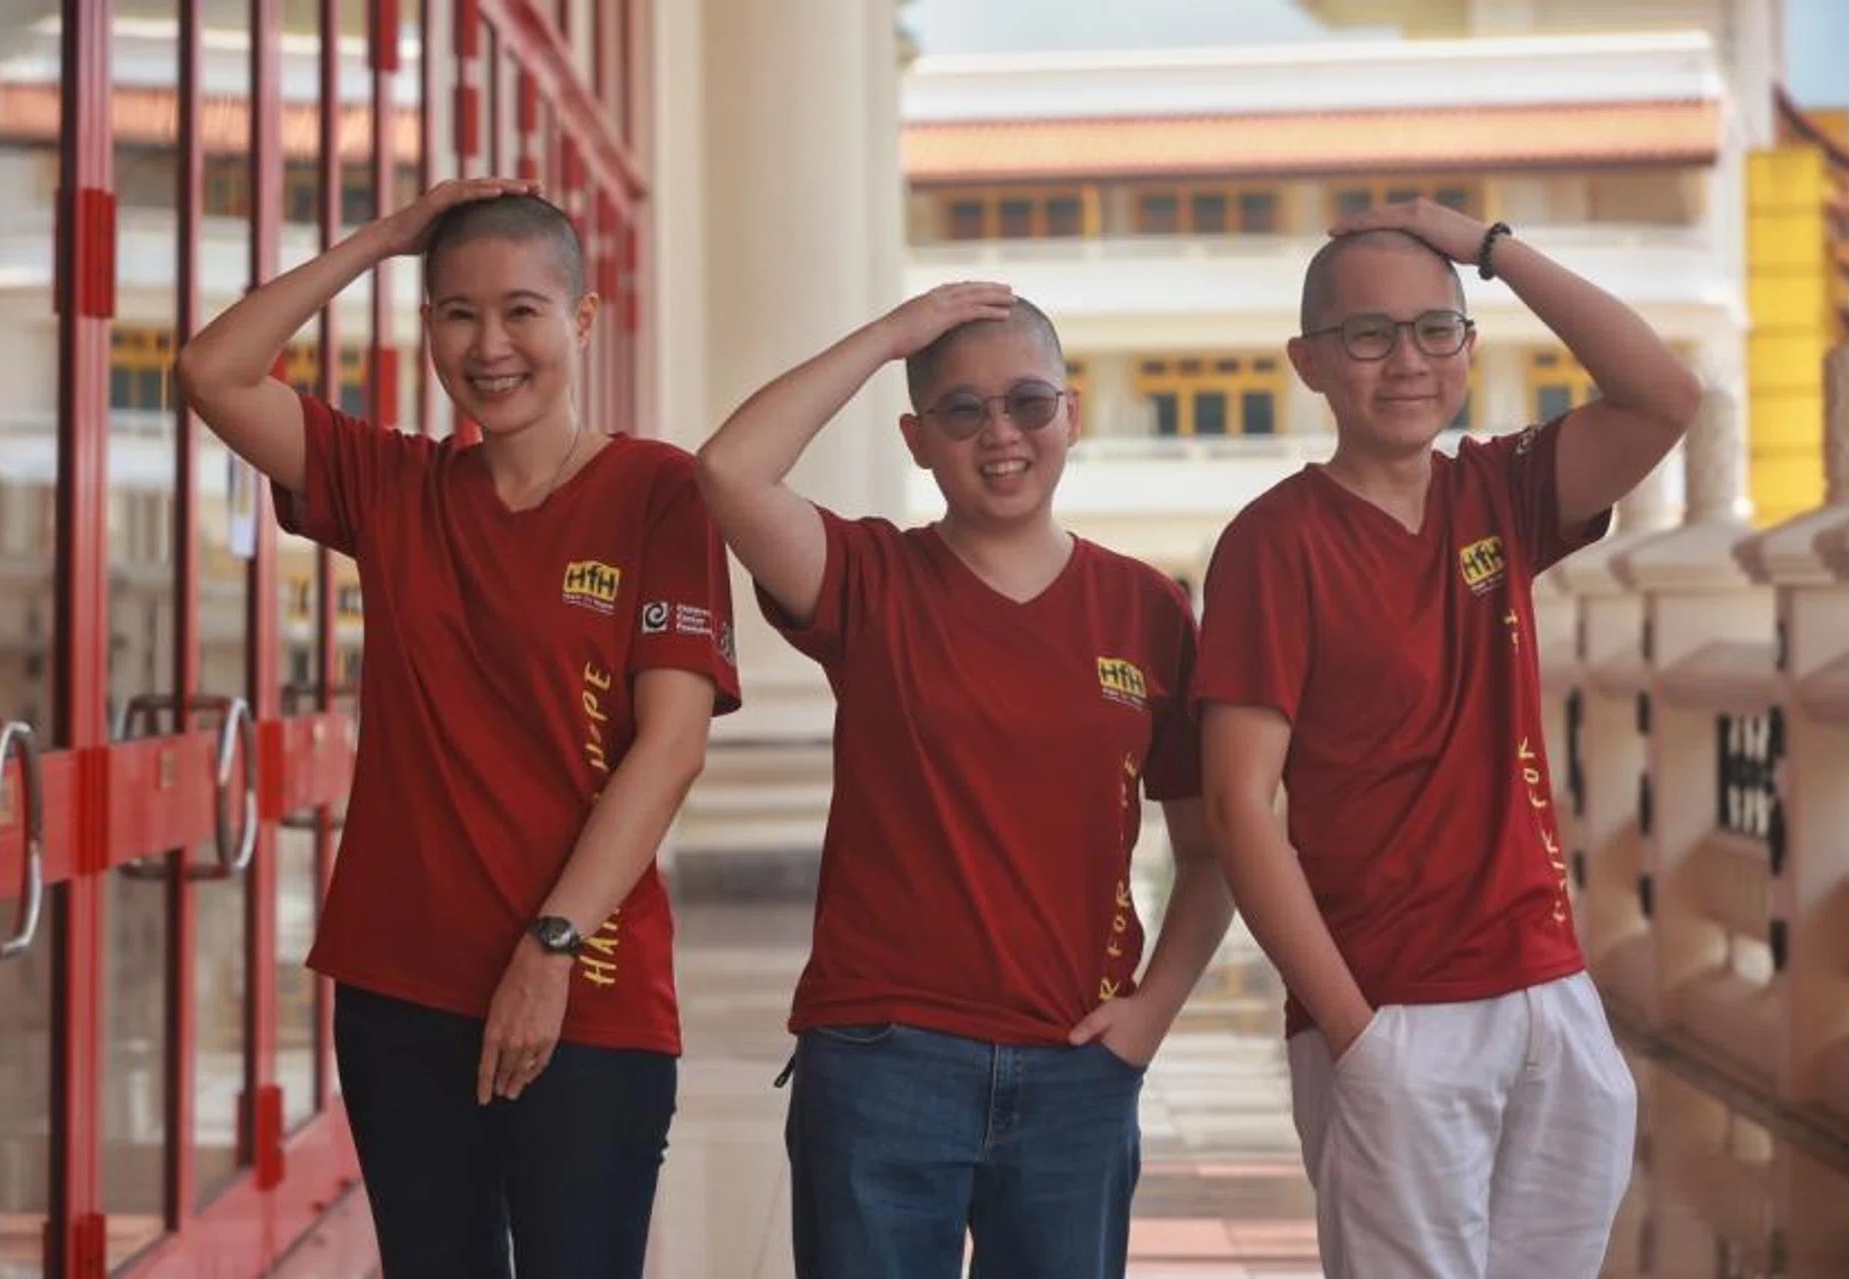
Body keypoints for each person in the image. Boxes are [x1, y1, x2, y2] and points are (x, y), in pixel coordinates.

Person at [175, 179, 740, 1278]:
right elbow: (212, 371)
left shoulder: (658, 494)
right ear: (427, 323)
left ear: (581, 319)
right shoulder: (394, 485)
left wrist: (551, 944)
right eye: (457, 313)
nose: (490, 347)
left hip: (589, 986)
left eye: (522, 311)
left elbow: (670, 746)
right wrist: (388, 237)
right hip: (399, 987)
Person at [1195, 199, 1702, 1277]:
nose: (1408, 361)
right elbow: (1240, 806)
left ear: (1468, 346)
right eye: (1368, 335)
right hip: (1394, 1007)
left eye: (1437, 330)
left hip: (1549, 988)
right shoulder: (1273, 544)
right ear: (1308, 362)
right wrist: (1353, 1032)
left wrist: (1490, 249)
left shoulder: (1499, 491)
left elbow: (1664, 396)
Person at [694, 284, 1234, 1279]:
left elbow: (1212, 848)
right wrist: (892, 334)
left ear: (1071, 412)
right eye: (961, 410)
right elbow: (731, 470)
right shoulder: (869, 579)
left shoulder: (1147, 609)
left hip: (1078, 1066)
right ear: (916, 439)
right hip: (884, 1060)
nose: (1001, 434)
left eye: (1029, 402)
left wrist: (1154, 1009)